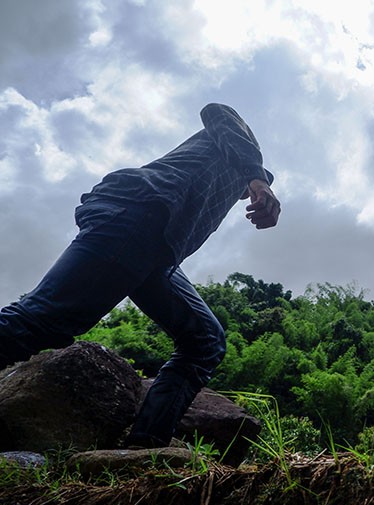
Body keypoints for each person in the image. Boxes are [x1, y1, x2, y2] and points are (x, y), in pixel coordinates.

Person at [0, 103, 281, 448]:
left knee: (205, 340)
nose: (248, 193)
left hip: (157, 251)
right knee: (44, 319)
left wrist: (252, 181)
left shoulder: (223, 189)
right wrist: (256, 174)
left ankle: (145, 445)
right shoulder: (235, 142)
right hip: (138, 211)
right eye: (258, 184)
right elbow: (216, 111)